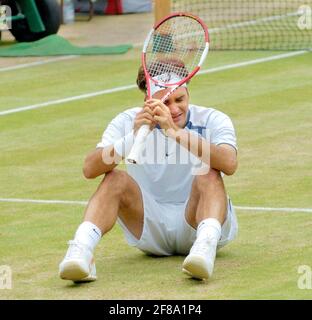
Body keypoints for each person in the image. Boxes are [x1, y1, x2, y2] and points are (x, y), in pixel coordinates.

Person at [58, 65, 238, 282]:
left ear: (188, 93)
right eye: (165, 103)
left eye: (179, 100)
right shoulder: (127, 120)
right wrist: (132, 137)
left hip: (197, 221)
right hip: (148, 228)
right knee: (115, 179)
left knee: (207, 170)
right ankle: (81, 252)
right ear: (147, 100)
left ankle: (204, 249)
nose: (173, 109)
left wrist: (175, 132)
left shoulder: (212, 119)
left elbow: (229, 163)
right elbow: (90, 169)